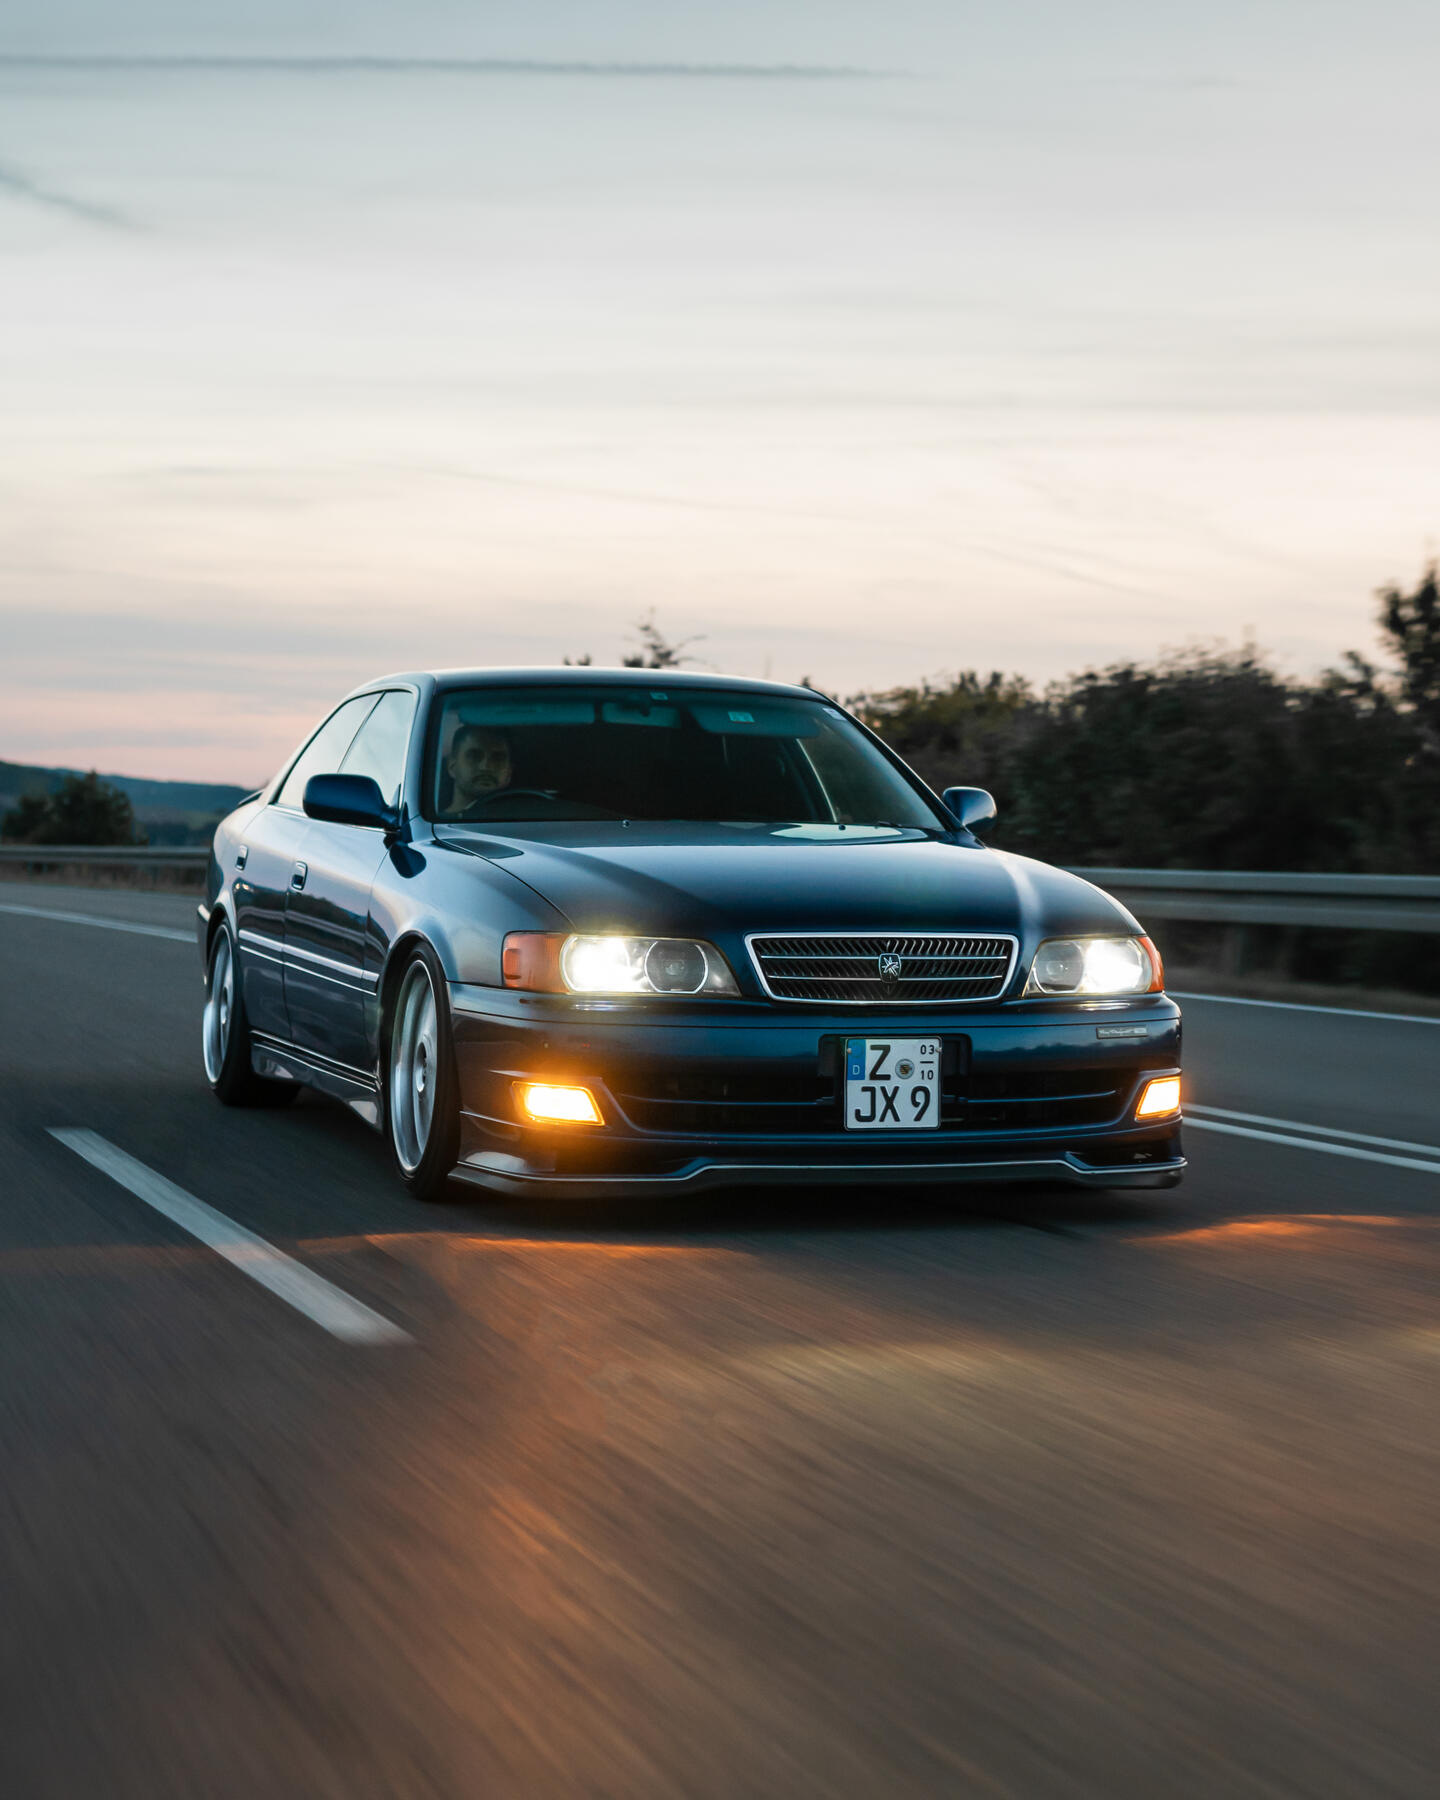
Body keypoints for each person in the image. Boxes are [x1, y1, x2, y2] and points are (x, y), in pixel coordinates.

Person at [442, 724, 513, 815]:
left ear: (509, 772)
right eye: (474, 756)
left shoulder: (523, 823)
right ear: (451, 766)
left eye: (497, 759)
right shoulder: (426, 825)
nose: (486, 767)